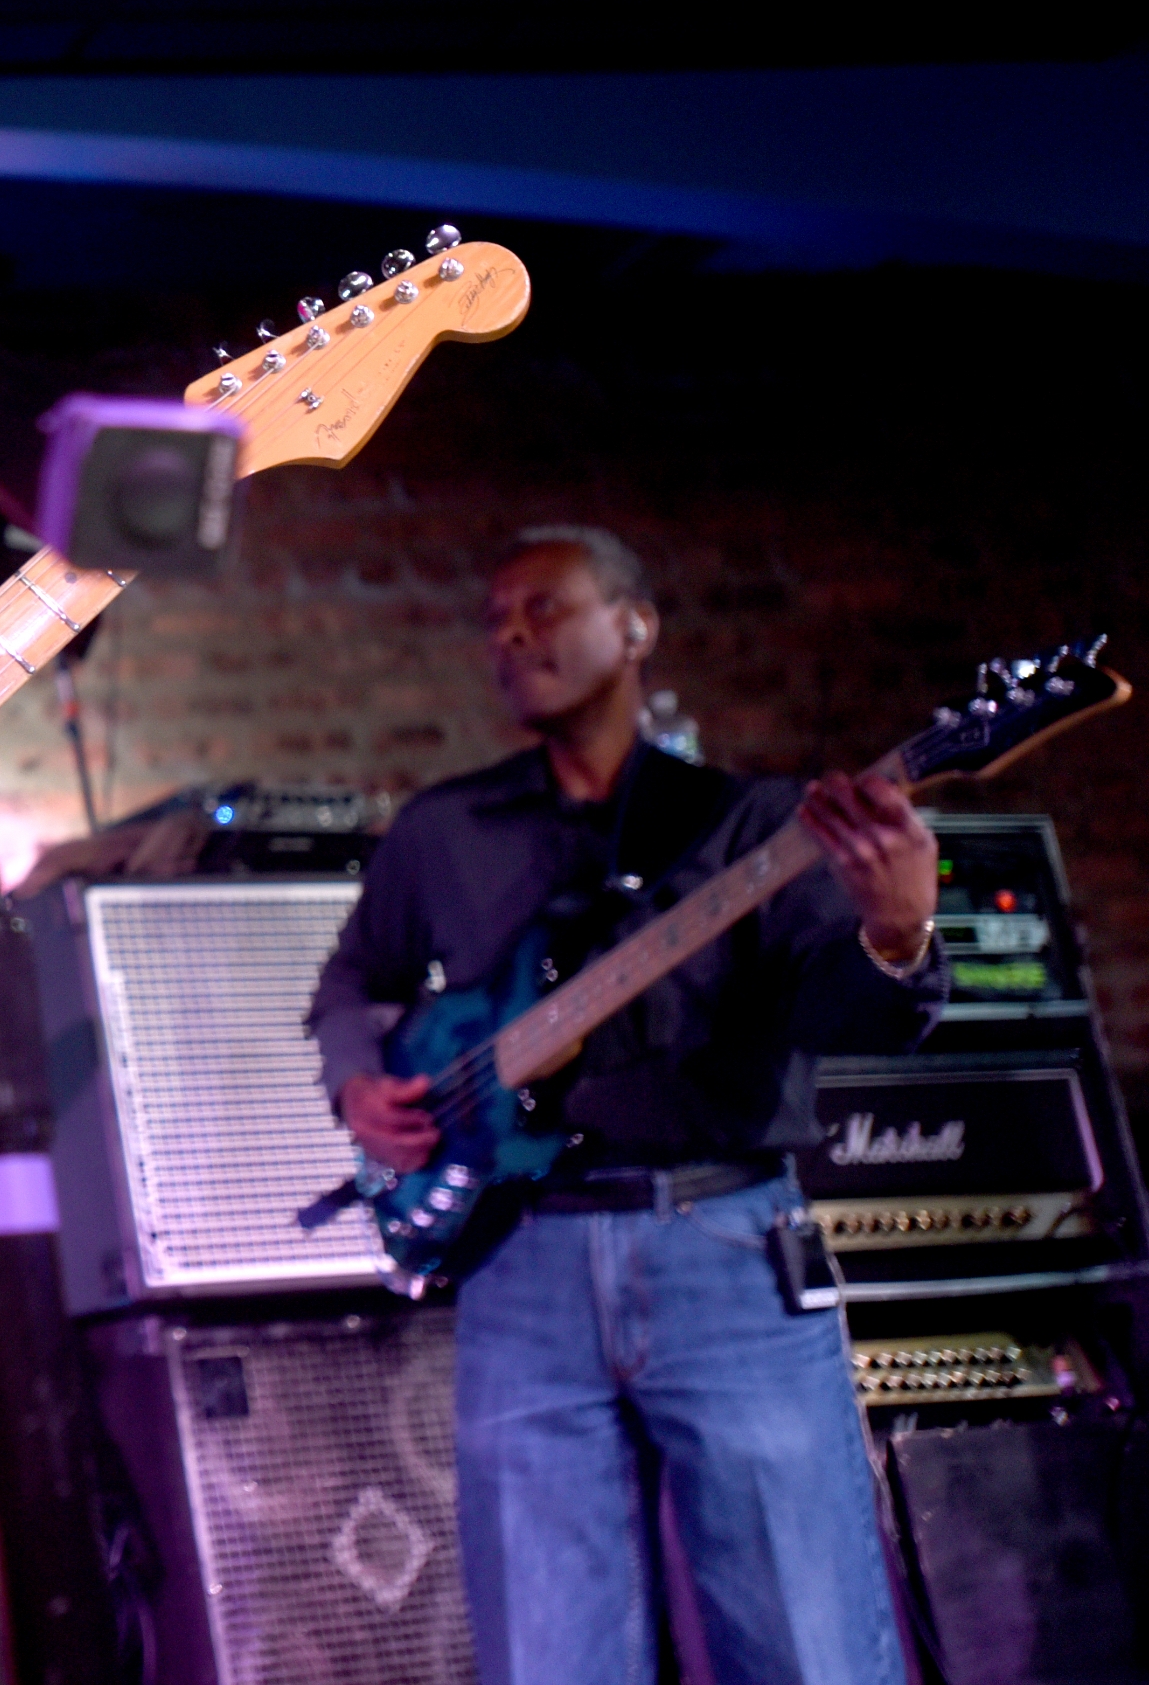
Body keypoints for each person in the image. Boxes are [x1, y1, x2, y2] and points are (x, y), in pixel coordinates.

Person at [308, 525, 945, 1685]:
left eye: (543, 609)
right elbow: (354, 980)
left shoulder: (752, 824)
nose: (510, 637)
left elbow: (854, 1022)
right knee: (547, 1654)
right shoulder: (443, 830)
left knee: (808, 1645)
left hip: (724, 1244)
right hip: (519, 1264)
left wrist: (897, 932)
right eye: (496, 619)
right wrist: (359, 1081)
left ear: (634, 626)